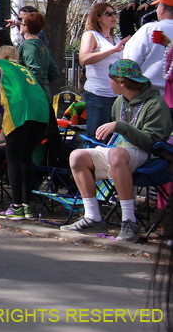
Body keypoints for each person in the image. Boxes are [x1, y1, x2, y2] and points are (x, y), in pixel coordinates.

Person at [61, 59, 171, 241]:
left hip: (150, 155)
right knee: (77, 156)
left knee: (116, 153)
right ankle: (93, 217)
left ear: (122, 82)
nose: (108, 82)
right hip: (119, 154)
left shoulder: (155, 104)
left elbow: (151, 141)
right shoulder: (119, 101)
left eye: (110, 78)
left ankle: (129, 221)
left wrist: (121, 127)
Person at [0, 45, 49, 220]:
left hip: (20, 111)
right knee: (26, 157)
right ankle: (26, 206)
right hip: (41, 113)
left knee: (13, 157)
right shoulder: (22, 69)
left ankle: (16, 206)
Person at [79, 3, 129, 139]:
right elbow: (84, 59)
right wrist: (113, 50)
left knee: (114, 138)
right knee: (97, 136)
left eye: (114, 13)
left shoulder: (116, 38)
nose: (113, 16)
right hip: (98, 94)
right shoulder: (91, 35)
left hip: (117, 95)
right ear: (97, 17)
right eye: (108, 14)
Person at [121, 0, 173, 93]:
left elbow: (130, 63)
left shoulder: (150, 29)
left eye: (157, 6)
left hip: (150, 95)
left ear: (162, 8)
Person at [17, 12, 59, 103]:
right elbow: (54, 72)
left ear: (26, 27)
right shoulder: (42, 45)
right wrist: (44, 83)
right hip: (45, 94)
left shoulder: (28, 45)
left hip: (32, 97)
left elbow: (35, 71)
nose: (20, 25)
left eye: (22, 23)